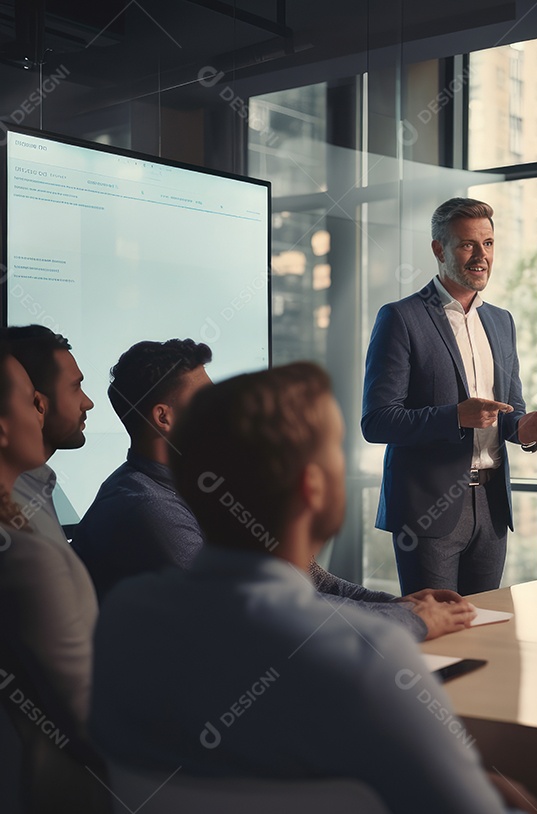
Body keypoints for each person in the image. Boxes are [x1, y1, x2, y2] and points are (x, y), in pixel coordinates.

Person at [90, 363, 536, 813]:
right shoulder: (373, 656)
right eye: (336, 454)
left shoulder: (123, 618)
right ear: (313, 487)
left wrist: (399, 605)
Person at [73, 339, 474, 640]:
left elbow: (312, 581)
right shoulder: (146, 509)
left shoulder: (208, 488)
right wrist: (410, 621)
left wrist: (399, 604)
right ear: (164, 417)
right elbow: (265, 611)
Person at [362, 197, 537, 595]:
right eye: (468, 244)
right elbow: (377, 420)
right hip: (427, 511)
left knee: (483, 631)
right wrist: (455, 416)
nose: (480, 256)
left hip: (491, 506)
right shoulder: (401, 318)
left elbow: (507, 411)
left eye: (487, 244)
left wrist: (524, 427)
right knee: (435, 636)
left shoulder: (500, 321)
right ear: (439, 249)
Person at [0, 342, 109, 813]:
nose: (41, 409)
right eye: (30, 399)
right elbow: (86, 715)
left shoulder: (35, 508)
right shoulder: (25, 553)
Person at [2, 325, 94, 545]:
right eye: (75, 387)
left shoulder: (35, 489)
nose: (88, 403)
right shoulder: (16, 505)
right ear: (37, 404)